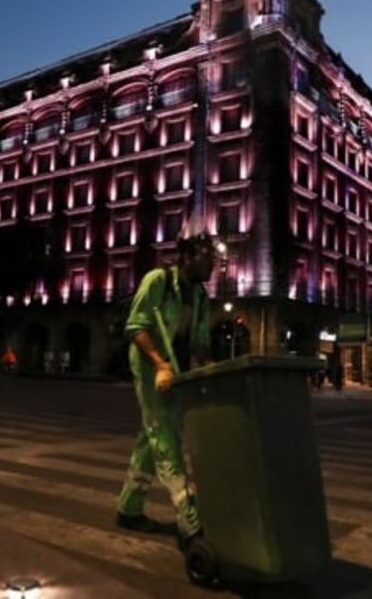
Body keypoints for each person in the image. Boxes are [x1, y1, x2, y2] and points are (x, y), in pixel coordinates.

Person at [116, 217, 216, 552]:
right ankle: (191, 523)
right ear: (187, 256)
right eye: (207, 256)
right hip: (150, 366)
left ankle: (129, 508)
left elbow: (200, 344)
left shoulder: (201, 297)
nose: (213, 263)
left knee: (150, 437)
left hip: (177, 370)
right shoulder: (157, 280)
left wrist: (208, 371)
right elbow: (136, 326)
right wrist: (159, 364)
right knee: (165, 436)